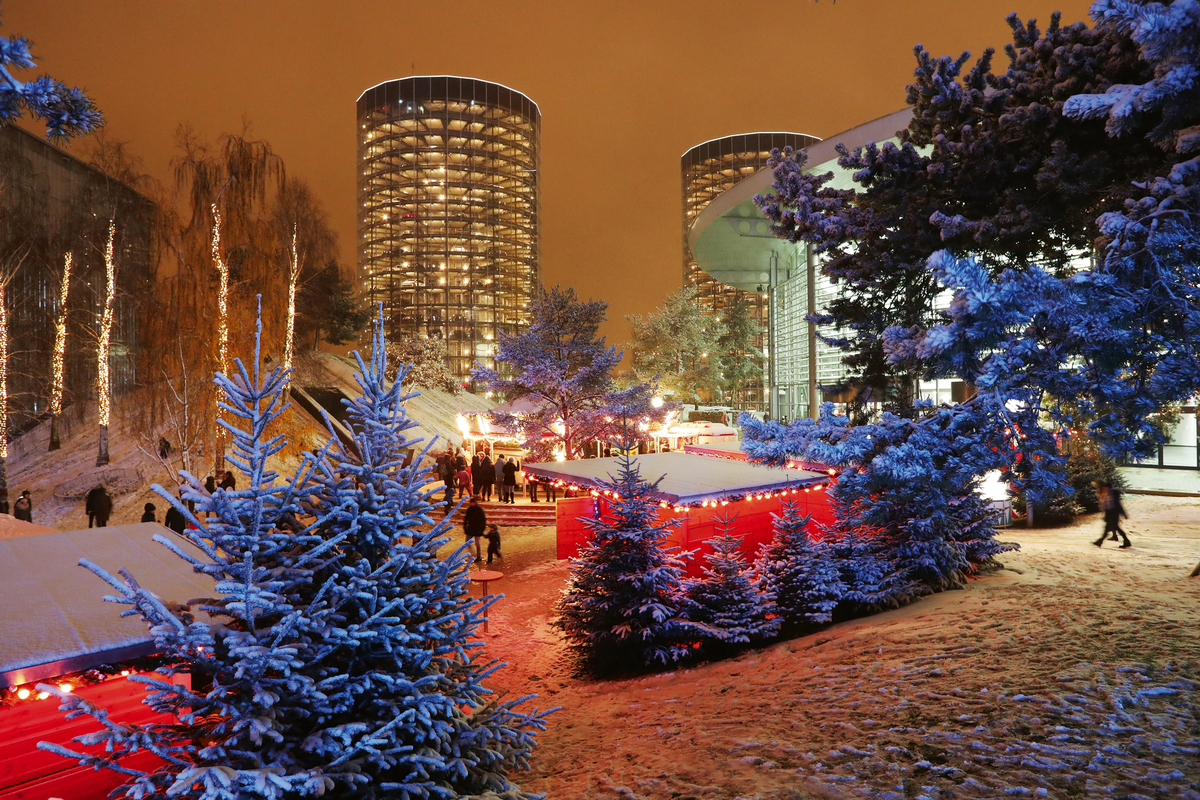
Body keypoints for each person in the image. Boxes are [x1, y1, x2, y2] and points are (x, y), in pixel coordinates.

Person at [1094, 480, 1131, 548]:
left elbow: (1118, 504)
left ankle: (1100, 541)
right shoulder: (1105, 493)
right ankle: (1126, 541)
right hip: (1109, 512)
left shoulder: (1113, 493)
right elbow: (1105, 504)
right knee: (1115, 527)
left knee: (1109, 528)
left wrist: (1123, 513)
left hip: (1114, 512)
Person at [463, 496, 486, 561]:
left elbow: (483, 519)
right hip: (471, 528)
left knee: (477, 543)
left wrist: (482, 528)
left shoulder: (479, 510)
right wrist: (465, 526)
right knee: (467, 541)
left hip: (477, 528)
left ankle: (478, 556)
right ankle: (471, 553)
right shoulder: (469, 509)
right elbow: (466, 518)